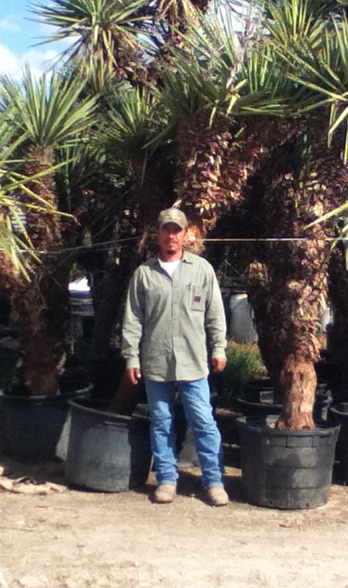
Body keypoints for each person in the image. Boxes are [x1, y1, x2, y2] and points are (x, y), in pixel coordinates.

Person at [121, 207, 229, 506]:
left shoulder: (202, 270)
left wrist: (219, 348)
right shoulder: (144, 275)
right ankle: (167, 479)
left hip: (194, 362)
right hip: (156, 362)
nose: (172, 235)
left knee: (203, 421)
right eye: (166, 229)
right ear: (156, 233)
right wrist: (131, 357)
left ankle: (214, 481)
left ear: (185, 234)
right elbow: (133, 320)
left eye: (177, 230)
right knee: (161, 421)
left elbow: (215, 314)